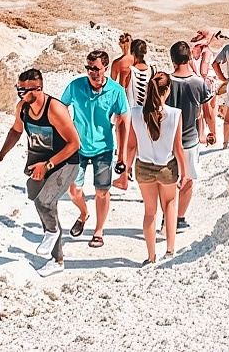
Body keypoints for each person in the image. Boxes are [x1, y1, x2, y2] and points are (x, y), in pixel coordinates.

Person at [0, 69, 80, 276]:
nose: (20, 95)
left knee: (44, 202)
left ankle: (55, 250)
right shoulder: (22, 107)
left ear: (37, 89)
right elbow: (16, 131)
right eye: (18, 90)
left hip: (65, 162)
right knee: (42, 203)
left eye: (23, 91)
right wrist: (1, 155)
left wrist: (47, 165)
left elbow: (74, 144)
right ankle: (55, 252)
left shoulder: (55, 109)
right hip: (38, 161)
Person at [61, 50, 128, 249]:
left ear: (105, 68)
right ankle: (83, 214)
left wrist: (122, 155)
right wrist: (66, 132)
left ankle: (99, 231)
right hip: (77, 147)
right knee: (73, 191)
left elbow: (123, 122)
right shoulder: (75, 86)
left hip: (104, 148)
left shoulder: (116, 91)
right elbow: (61, 107)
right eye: (89, 68)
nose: (92, 72)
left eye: (96, 68)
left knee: (101, 191)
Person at [126, 74, 187, 265]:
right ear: (167, 90)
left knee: (149, 211)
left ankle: (151, 256)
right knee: (169, 205)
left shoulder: (135, 113)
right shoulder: (175, 114)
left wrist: (125, 168)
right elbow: (178, 148)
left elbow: (131, 145)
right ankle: (169, 250)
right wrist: (184, 172)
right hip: (167, 167)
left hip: (143, 166)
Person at [166, 41, 212, 233]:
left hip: (167, 140)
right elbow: (207, 110)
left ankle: (166, 217)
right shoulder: (198, 83)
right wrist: (212, 131)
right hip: (189, 139)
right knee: (188, 180)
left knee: (168, 180)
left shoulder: (165, 81)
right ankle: (179, 218)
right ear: (189, 58)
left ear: (172, 59)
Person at [190, 30, 219, 144]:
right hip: (199, 82)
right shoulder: (192, 53)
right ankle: (202, 135)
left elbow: (203, 71)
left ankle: (213, 135)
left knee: (208, 111)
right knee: (200, 111)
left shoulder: (206, 52)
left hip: (208, 83)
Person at [124, 39, 152, 112]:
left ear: (133, 53)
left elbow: (122, 93)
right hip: (148, 115)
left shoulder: (128, 71)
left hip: (131, 116)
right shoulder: (152, 69)